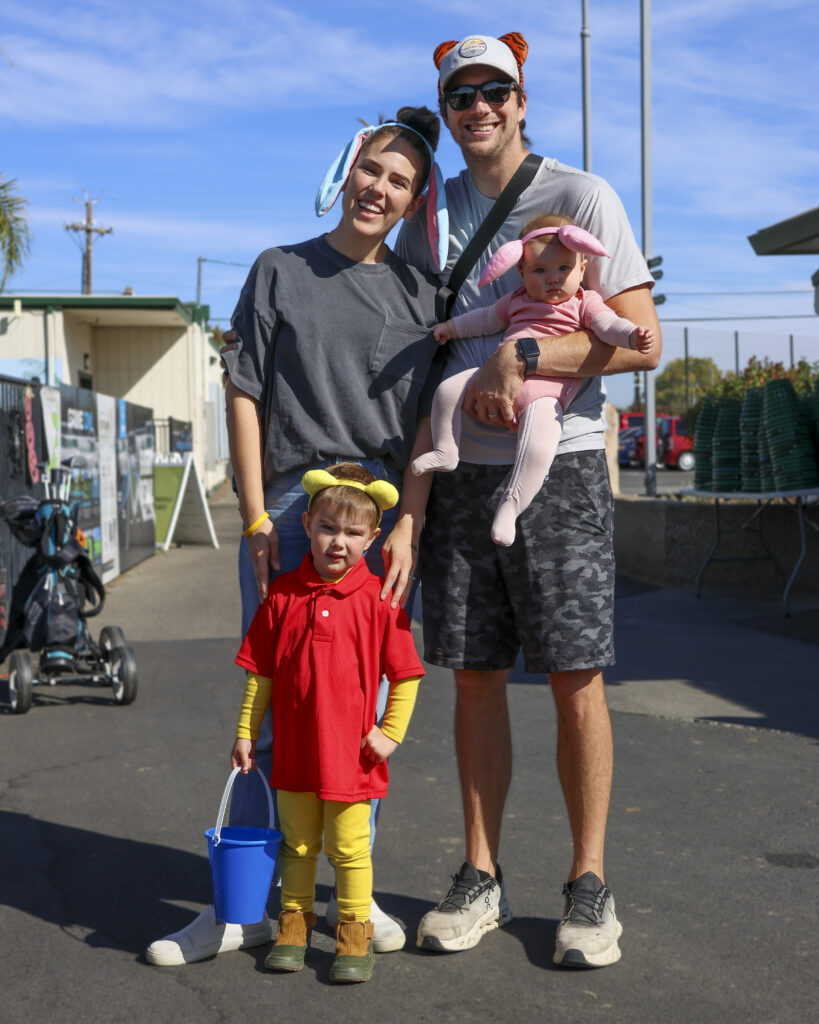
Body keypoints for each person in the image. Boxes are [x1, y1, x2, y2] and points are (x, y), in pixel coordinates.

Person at [145, 106, 443, 967]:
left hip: (377, 519)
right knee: (272, 710)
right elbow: (243, 391)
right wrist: (251, 516)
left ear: (413, 201)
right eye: (370, 170)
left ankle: (347, 893)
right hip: (287, 509)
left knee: (353, 716)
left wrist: (409, 528)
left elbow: (426, 425)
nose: (377, 188)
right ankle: (237, 908)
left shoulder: (423, 298)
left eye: (398, 181)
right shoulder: (278, 270)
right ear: (346, 171)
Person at [393, 32, 662, 966]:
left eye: (492, 91)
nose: (477, 108)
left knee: (573, 673)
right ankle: (479, 877)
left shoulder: (582, 197)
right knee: (469, 675)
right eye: (459, 95)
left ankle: (589, 887)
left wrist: (523, 356)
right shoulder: (430, 210)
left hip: (563, 465)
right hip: (461, 468)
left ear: (520, 99)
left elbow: (642, 340)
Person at [231, 464, 424, 983]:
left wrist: (390, 733)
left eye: (353, 532)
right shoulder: (283, 596)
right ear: (308, 523)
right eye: (327, 528)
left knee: (349, 849)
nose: (338, 542)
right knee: (296, 846)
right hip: (295, 757)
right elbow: (261, 676)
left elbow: (406, 675)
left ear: (373, 537)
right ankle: (292, 929)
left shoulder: (381, 601)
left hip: (351, 758)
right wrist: (247, 731)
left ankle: (353, 933)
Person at [413, 212, 656, 545]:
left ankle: (511, 506)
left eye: (563, 269)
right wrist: (451, 329)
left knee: (539, 446)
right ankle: (446, 449)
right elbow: (483, 320)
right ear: (521, 273)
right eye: (540, 271)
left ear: (583, 267)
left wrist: (632, 336)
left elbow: (609, 327)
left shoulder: (585, 302)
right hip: (495, 380)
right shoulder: (515, 301)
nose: (553, 279)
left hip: (546, 393)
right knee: (447, 390)